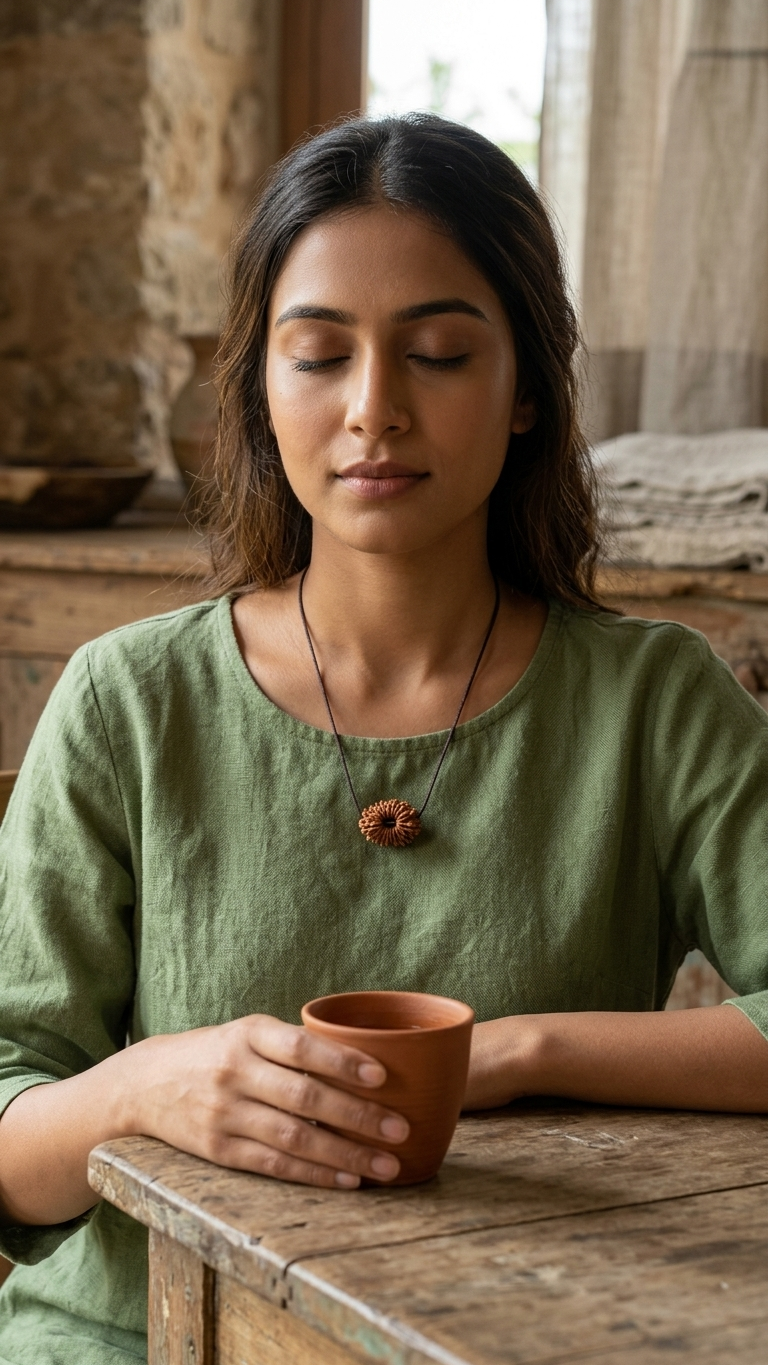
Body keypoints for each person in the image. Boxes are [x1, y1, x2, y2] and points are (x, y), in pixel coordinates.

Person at [0, 112, 767, 1363]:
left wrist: (517, 1053)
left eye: (441, 355)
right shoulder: (126, 700)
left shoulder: (656, 703)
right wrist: (145, 1089)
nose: (375, 410)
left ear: (525, 391)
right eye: (318, 355)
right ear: (261, 387)